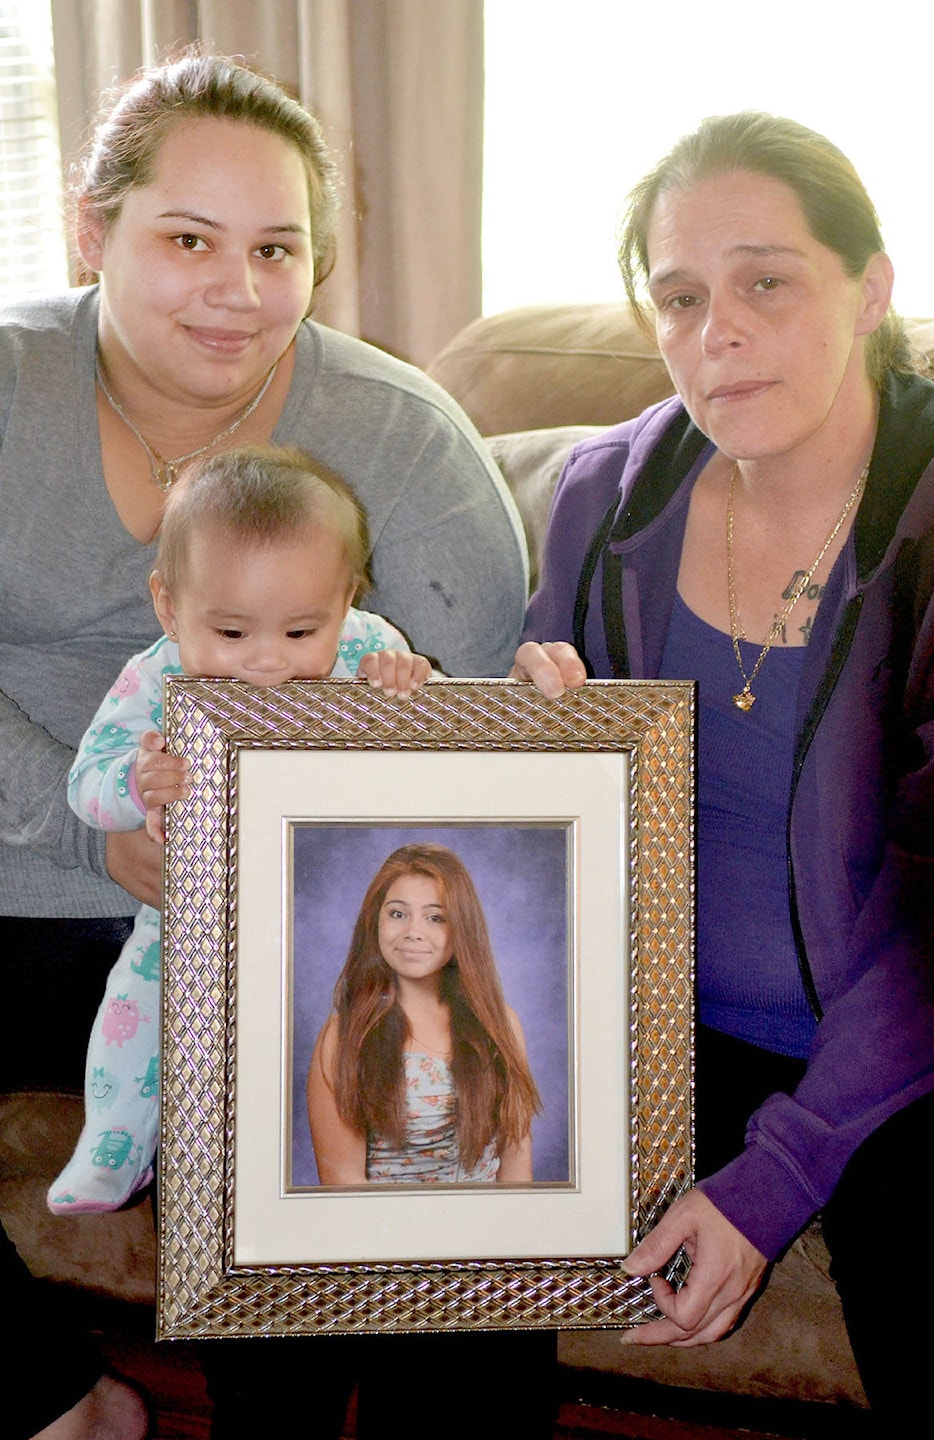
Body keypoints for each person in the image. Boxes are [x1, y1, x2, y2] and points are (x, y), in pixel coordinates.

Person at [0, 50, 527, 1437]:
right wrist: (96, 837)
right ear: (92, 228)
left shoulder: (402, 443)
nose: (236, 289)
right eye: (188, 240)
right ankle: (53, 1397)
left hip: (286, 911)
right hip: (23, 870)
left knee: (363, 1102)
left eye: (276, 249)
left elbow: (470, 748)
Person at [512, 112, 934, 1436]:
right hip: (662, 1030)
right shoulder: (606, 500)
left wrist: (776, 1180)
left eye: (768, 281)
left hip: (912, 1042)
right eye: (682, 297)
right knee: (433, 1196)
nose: (720, 332)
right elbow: (532, 831)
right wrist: (517, 745)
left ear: (869, 290)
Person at [47, 444, 431, 1214]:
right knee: (140, 1000)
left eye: (300, 633)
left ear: (346, 602)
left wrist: (409, 689)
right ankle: (116, 1143)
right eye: (229, 634)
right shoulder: (156, 676)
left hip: (337, 896)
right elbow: (86, 784)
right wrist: (135, 782)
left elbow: (457, 756)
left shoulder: (367, 648)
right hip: (195, 907)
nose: (265, 662)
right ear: (169, 607)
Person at [308, 842, 541, 1185]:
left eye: (435, 918)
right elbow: (342, 1185)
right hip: (384, 1222)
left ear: (461, 928)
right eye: (397, 914)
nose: (413, 932)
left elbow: (517, 1173)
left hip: (490, 1221)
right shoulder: (344, 1037)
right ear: (374, 922)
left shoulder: (501, 1025)